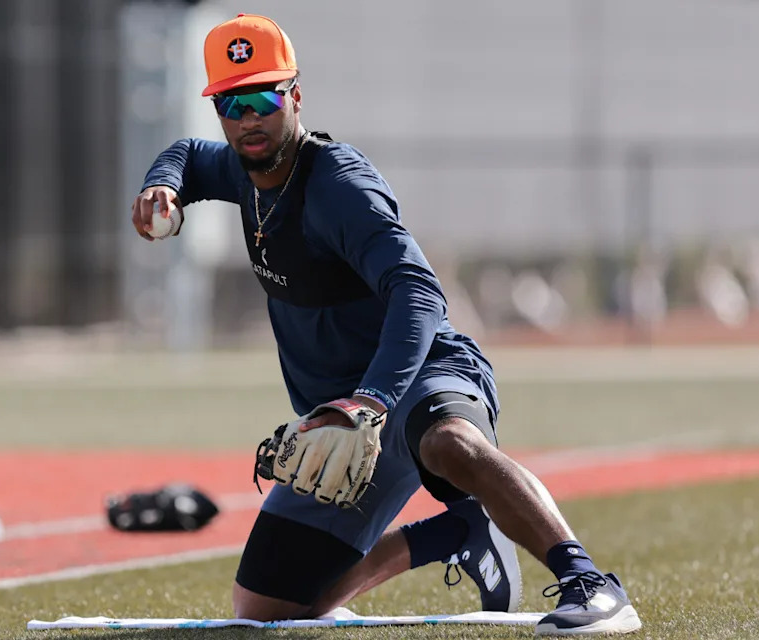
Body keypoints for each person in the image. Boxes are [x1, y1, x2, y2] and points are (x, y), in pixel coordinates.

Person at [131, 14, 641, 636]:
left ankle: (590, 582)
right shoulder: (243, 168)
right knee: (266, 610)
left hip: (421, 374)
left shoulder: (339, 184)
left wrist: (371, 399)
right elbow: (184, 155)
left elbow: (420, 294)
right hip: (343, 419)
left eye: (264, 97)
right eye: (232, 103)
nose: (249, 118)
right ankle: (457, 532)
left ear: (293, 97)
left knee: (449, 444)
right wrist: (163, 187)